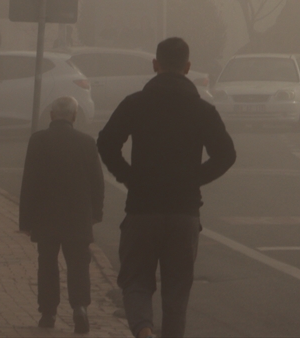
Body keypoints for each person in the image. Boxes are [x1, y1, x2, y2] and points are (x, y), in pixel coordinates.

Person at [97, 37, 236, 338]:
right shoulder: (202, 110)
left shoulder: (135, 103)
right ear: (187, 67)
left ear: (155, 65)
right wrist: (193, 178)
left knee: (135, 281)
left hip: (141, 209)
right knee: (176, 292)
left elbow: (106, 143)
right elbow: (226, 154)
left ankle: (143, 330)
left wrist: (129, 176)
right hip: (184, 212)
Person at [19, 96, 104, 334]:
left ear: (51, 115)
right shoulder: (87, 142)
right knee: (78, 264)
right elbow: (97, 182)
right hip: (78, 217)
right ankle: (80, 307)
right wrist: (96, 213)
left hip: (45, 217)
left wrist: (25, 220)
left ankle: (48, 314)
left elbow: (29, 182)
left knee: (47, 264)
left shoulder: (38, 140)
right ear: (75, 117)